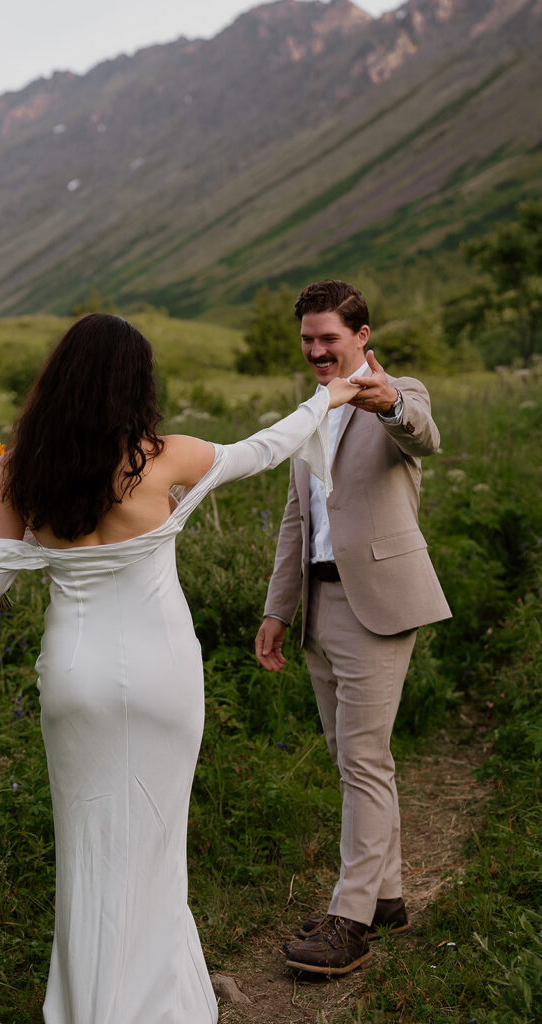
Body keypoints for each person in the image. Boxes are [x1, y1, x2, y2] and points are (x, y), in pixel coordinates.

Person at [0, 313, 359, 1024]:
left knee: (85, 842)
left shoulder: (15, 469)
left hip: (73, 674)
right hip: (161, 669)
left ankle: (89, 1005)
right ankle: (157, 1004)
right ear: (136, 384)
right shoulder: (161, 457)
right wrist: (330, 398)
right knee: (156, 840)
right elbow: (265, 447)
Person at [254, 280, 451, 977]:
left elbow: (422, 434)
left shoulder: (399, 392)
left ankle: (349, 921)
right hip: (318, 606)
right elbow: (294, 522)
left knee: (363, 759)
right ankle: (387, 897)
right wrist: (278, 610)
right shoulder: (310, 411)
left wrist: (387, 399)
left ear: (361, 336)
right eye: (307, 339)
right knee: (351, 759)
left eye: (328, 338)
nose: (315, 350)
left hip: (380, 604)